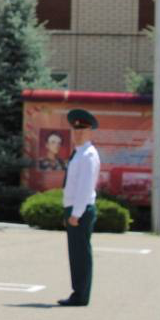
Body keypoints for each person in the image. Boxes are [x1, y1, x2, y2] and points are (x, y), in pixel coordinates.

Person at [59, 108, 101, 307]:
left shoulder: (88, 155)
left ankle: (81, 295)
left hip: (81, 210)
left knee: (81, 255)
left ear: (90, 132)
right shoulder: (79, 153)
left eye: (82, 131)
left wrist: (75, 214)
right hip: (75, 208)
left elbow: (85, 188)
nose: (77, 134)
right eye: (75, 130)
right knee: (75, 254)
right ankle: (78, 292)